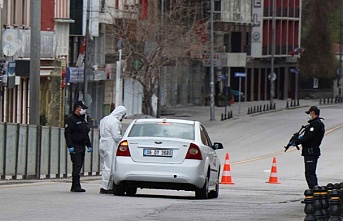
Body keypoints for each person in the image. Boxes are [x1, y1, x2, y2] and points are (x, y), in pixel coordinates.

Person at [293, 106, 325, 189]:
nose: (309, 115)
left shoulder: (316, 124)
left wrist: (298, 141)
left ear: (313, 113)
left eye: (309, 113)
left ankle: (314, 191)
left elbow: (308, 138)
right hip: (309, 151)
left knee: (310, 172)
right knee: (310, 172)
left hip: (311, 151)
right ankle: (314, 190)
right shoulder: (313, 124)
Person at [64, 101, 93, 192]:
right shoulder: (71, 119)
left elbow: (85, 133)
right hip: (75, 145)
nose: (83, 110)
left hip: (82, 145)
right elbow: (67, 133)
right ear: (77, 108)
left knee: (79, 165)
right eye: (82, 108)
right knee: (76, 165)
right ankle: (75, 185)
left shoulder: (82, 119)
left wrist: (89, 145)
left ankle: (76, 184)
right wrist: (70, 146)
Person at [99, 105, 127, 194]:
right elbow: (116, 136)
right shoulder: (115, 122)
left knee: (104, 166)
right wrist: (122, 140)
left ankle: (105, 185)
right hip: (110, 144)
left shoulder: (104, 119)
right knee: (109, 166)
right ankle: (106, 187)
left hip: (102, 142)